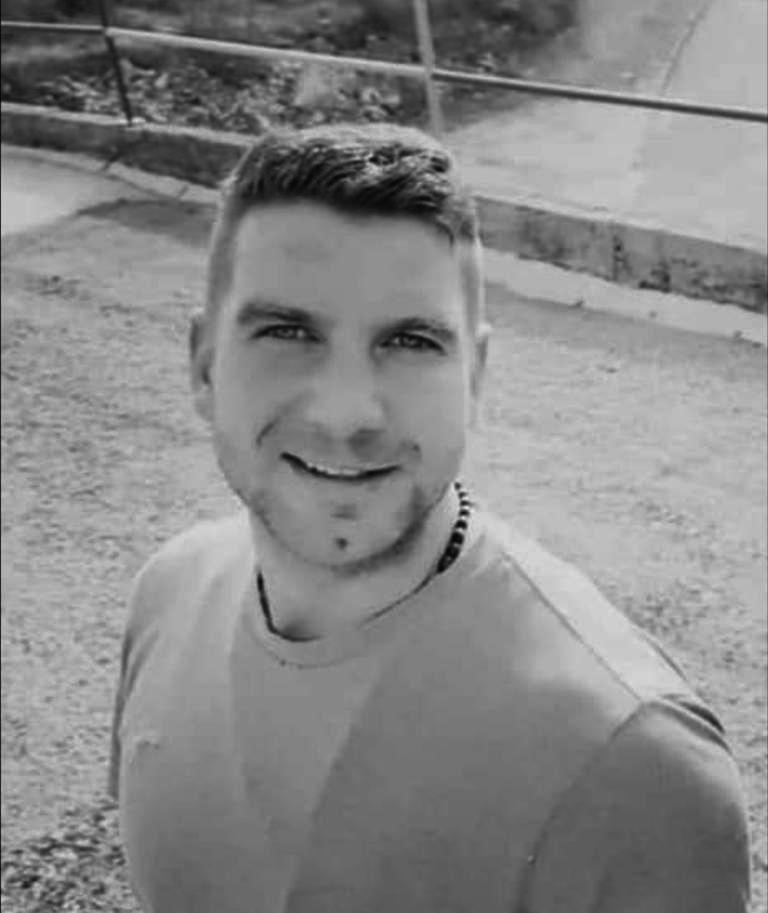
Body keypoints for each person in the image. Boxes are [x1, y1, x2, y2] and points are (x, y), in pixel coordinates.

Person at [108, 123, 750, 913]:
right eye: (287, 331)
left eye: (410, 341)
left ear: (474, 378)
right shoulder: (166, 597)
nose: (348, 413)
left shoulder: (638, 765)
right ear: (204, 366)